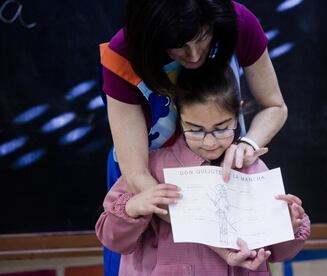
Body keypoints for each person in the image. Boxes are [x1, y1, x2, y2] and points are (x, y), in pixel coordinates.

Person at [99, 0, 287, 274]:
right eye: (179, 46)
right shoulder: (123, 53)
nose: (195, 55)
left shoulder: (238, 22)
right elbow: (137, 175)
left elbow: (275, 106)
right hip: (150, 181)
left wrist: (248, 143)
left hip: (224, 172)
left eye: (203, 39)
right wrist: (221, 245)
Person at [96, 67, 310, 276]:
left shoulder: (252, 170)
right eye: (196, 130)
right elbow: (112, 239)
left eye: (221, 128)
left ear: (238, 113)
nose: (209, 142)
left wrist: (288, 226)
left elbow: (279, 252)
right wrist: (134, 207)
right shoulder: (149, 169)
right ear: (180, 117)